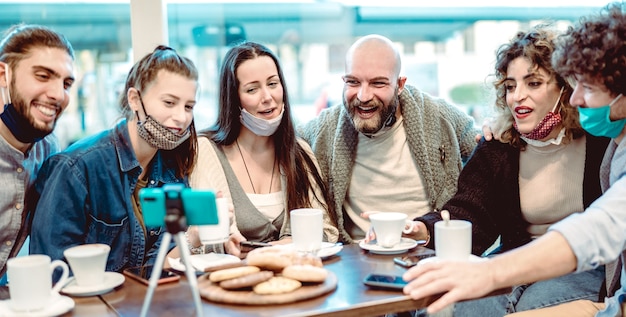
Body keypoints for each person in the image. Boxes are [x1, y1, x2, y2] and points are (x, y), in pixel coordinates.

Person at [402, 4, 626, 317]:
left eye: (533, 83)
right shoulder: (499, 145)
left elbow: (603, 228)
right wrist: (422, 229)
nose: (516, 96)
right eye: (510, 86)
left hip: (582, 266)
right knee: (461, 305)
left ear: (565, 89)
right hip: (515, 257)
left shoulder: (605, 138)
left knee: (532, 307)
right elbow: (469, 214)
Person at [29, 45, 198, 273]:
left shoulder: (174, 170)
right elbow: (51, 272)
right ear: (134, 99)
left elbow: (155, 269)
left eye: (188, 106)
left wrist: (195, 235)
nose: (181, 117)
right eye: (169, 102)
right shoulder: (76, 168)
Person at [298, 34, 478, 243]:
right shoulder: (324, 129)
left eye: (378, 83)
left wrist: (494, 129)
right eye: (353, 82)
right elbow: (284, 144)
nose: (363, 96)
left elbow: (485, 149)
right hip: (355, 258)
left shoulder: (440, 117)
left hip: (428, 252)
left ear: (400, 84)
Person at [185, 41, 338, 256]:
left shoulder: (300, 152)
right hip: (232, 281)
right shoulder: (206, 150)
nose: (267, 97)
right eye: (252, 89)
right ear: (233, 99)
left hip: (293, 281)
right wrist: (290, 245)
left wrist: (275, 249)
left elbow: (327, 232)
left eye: (273, 84)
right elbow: (206, 241)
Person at [0, 24, 74, 284]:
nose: (58, 95)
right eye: (43, 76)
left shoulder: (49, 148)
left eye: (66, 83)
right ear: (3, 76)